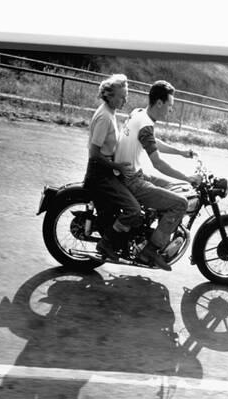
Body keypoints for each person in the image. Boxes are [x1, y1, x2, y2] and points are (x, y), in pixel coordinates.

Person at [114, 80, 200, 271]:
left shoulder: (138, 113)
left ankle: (153, 230)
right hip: (132, 180)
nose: (171, 110)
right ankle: (151, 250)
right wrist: (188, 178)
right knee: (180, 203)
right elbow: (158, 163)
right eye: (170, 105)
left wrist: (181, 153)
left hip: (132, 173)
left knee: (174, 189)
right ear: (159, 103)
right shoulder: (145, 123)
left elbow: (153, 141)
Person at [83, 74, 143, 261]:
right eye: (121, 96)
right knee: (133, 210)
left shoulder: (110, 112)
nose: (125, 99)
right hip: (100, 174)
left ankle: (124, 245)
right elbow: (94, 153)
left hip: (107, 171)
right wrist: (117, 165)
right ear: (109, 96)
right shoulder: (104, 117)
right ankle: (107, 243)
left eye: (126, 95)